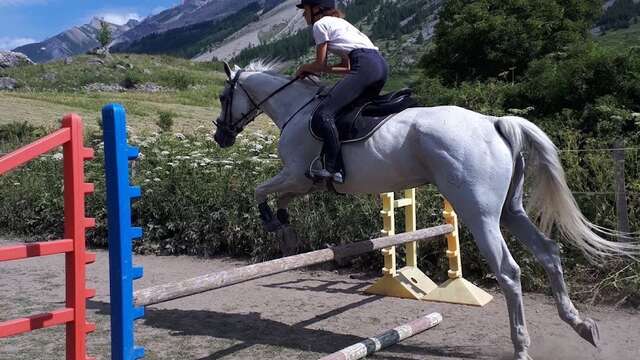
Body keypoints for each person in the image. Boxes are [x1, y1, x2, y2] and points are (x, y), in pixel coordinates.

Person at [295, 0, 389, 184]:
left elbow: (320, 64)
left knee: (323, 114)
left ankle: (332, 168)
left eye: (305, 10)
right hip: (380, 67)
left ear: (316, 9)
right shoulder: (342, 24)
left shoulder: (320, 25)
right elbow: (345, 68)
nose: (303, 14)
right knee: (345, 112)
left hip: (364, 66)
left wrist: (303, 68)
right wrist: (321, 69)